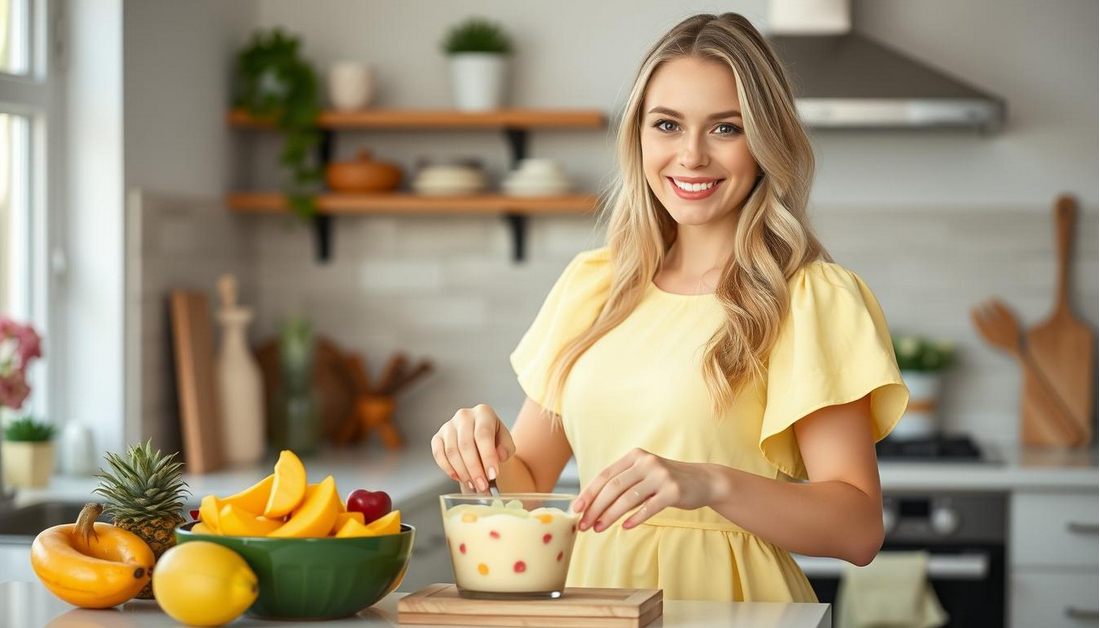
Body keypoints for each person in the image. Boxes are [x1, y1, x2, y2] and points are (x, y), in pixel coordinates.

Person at [430, 12, 909, 602]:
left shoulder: (810, 298)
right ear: (638, 136)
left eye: (726, 129)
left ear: (765, 142)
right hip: (595, 607)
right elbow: (527, 488)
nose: (692, 156)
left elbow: (858, 530)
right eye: (667, 125)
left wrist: (707, 482)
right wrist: (480, 448)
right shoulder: (592, 288)